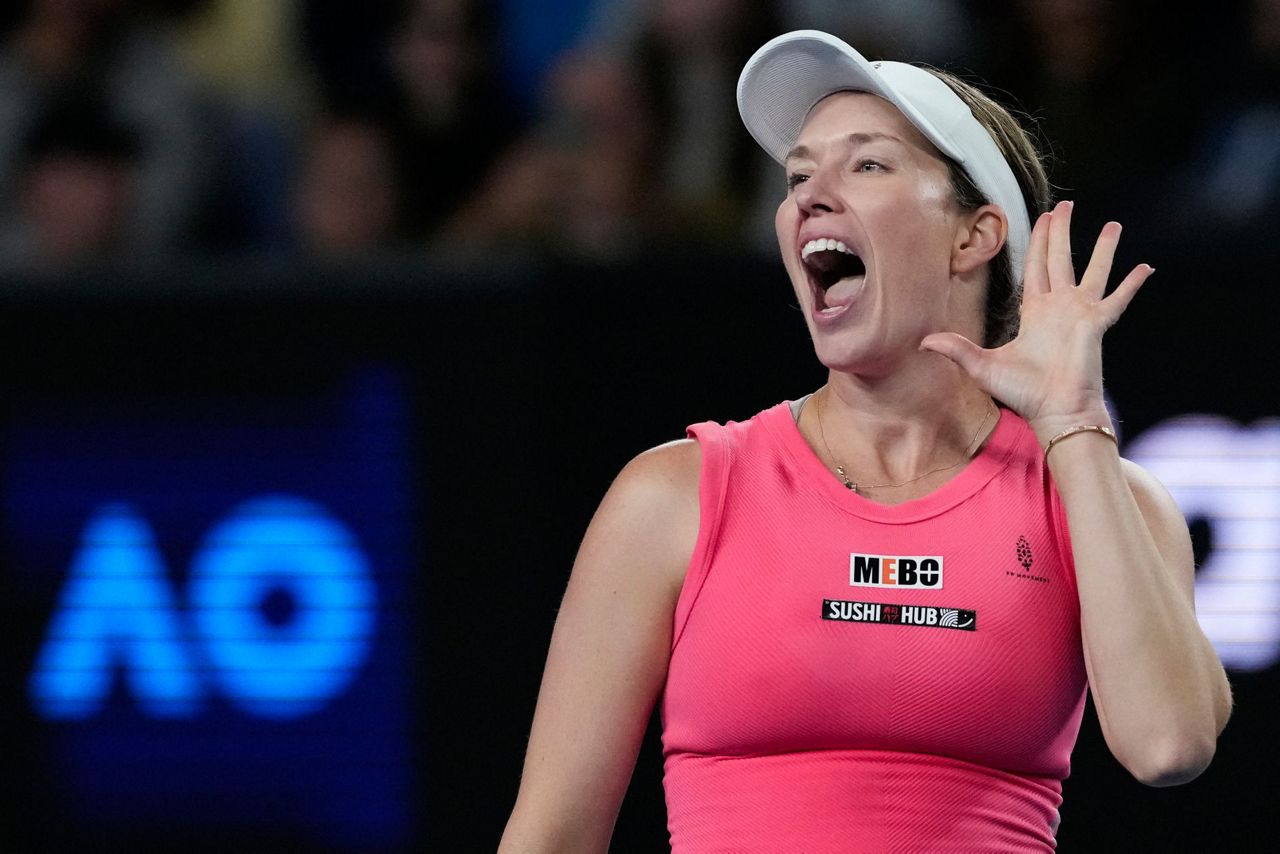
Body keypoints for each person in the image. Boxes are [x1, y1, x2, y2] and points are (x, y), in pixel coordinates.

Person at [498, 30, 1232, 852]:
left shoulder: (1099, 496)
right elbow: (551, 835)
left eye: (868, 165)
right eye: (799, 176)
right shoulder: (673, 496)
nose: (812, 195)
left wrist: (1073, 426)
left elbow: (1169, 745)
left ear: (974, 236)